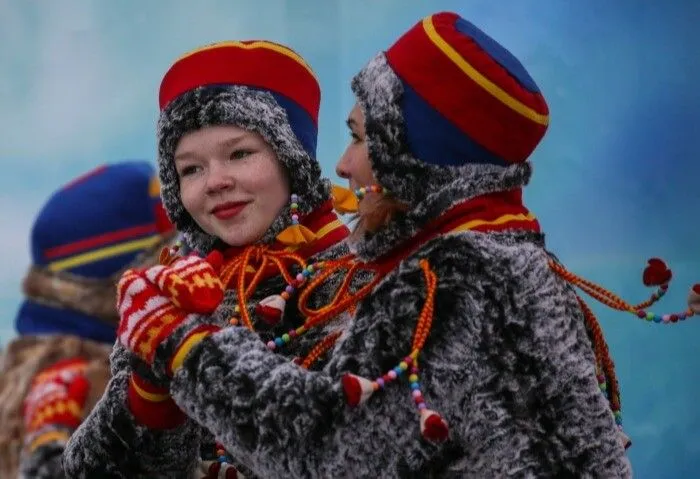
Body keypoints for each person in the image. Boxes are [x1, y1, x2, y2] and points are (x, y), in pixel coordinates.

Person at [110, 12, 700, 478]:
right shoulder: (502, 262)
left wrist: (183, 345)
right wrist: (148, 383)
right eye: (189, 168)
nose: (343, 165)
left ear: (411, 153)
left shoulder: (451, 282)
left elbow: (330, 453)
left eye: (359, 137)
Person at [63, 40, 355, 478]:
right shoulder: (173, 292)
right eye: (191, 169)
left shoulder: (362, 280)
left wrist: (190, 352)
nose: (215, 182)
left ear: (292, 159)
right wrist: (149, 391)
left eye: (240, 154)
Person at [0, 161, 177, 479]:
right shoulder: (86, 389)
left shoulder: (27, 371)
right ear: (117, 282)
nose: (183, 275)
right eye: (167, 259)